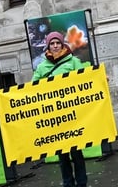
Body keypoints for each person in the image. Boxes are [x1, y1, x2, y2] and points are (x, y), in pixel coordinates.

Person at [33, 31, 88, 187]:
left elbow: (86, 79)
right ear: (48, 46)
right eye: (52, 43)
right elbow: (30, 90)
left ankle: (82, 183)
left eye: (58, 43)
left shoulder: (73, 62)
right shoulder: (42, 67)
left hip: (72, 115)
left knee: (77, 153)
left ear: (62, 44)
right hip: (55, 118)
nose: (55, 46)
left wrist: (101, 79)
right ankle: (67, 183)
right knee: (62, 155)